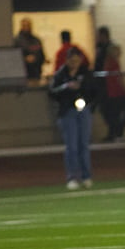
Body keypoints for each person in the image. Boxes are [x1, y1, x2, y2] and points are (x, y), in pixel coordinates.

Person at [48, 48, 98, 190]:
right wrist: (65, 87)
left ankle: (86, 176)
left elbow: (95, 92)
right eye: (71, 60)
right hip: (67, 112)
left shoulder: (86, 74)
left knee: (84, 144)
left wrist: (89, 105)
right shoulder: (60, 74)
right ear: (67, 60)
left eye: (76, 60)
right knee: (72, 146)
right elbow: (52, 92)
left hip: (83, 111)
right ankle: (72, 177)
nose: (74, 63)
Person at [99, 44, 125, 142]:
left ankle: (115, 133)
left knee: (116, 114)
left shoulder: (107, 62)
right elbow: (118, 78)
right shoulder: (114, 63)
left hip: (111, 92)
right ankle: (119, 132)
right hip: (118, 92)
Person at [13, 18, 47, 84]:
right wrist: (25, 59)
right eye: (25, 26)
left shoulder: (36, 40)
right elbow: (13, 59)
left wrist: (39, 59)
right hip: (23, 74)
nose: (27, 28)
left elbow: (42, 55)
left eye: (28, 26)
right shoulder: (17, 41)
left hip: (36, 73)